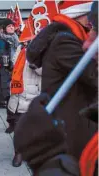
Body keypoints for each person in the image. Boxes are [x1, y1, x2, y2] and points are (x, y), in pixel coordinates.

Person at [26, 0, 97, 160]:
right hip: (72, 122)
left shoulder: (71, 37)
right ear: (81, 16)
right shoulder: (65, 41)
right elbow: (93, 76)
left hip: (75, 117)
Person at [7, 42, 42, 167]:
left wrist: (36, 65)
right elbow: (14, 63)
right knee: (18, 126)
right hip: (17, 92)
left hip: (32, 94)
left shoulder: (44, 50)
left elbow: (47, 70)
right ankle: (18, 153)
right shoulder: (21, 48)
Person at [0, 19, 19, 111]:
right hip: (3, 67)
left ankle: (9, 104)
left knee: (11, 87)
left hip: (15, 66)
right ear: (4, 29)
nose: (12, 27)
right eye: (9, 26)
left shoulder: (17, 39)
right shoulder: (1, 40)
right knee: (0, 86)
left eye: (12, 26)